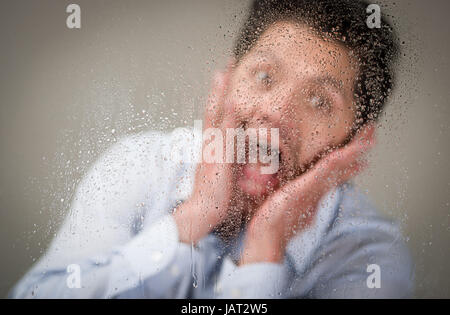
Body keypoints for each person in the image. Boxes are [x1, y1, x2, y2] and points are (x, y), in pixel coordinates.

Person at [10, 0, 413, 298]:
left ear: (355, 142)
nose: (275, 112)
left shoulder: (370, 257)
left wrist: (265, 247)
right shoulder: (141, 164)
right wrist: (193, 217)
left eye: (320, 101)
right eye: (264, 76)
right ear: (226, 81)